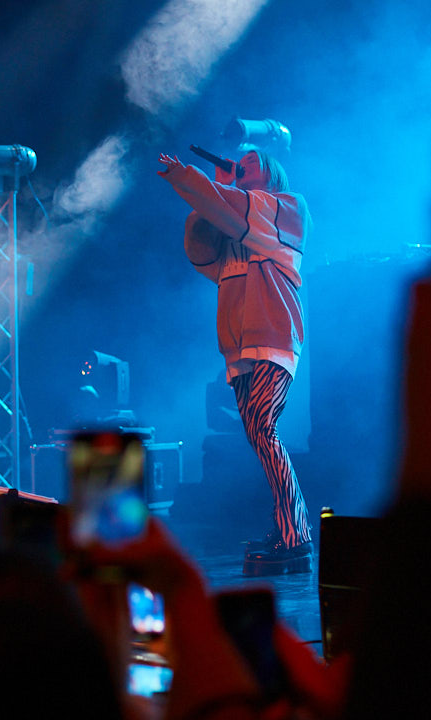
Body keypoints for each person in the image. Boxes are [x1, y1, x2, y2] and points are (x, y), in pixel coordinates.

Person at [157, 149, 313, 573]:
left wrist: (195, 180)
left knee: (263, 428)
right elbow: (200, 239)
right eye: (237, 164)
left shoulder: (286, 208)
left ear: (271, 170)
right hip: (239, 346)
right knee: (260, 436)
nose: (241, 165)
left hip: (275, 337)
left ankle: (296, 535)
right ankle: (288, 527)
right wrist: (217, 187)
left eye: (251, 162)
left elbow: (236, 209)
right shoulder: (235, 227)